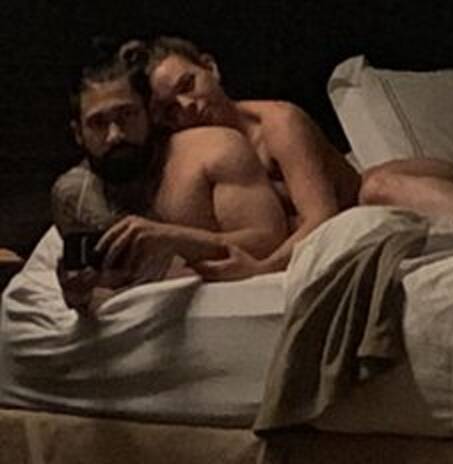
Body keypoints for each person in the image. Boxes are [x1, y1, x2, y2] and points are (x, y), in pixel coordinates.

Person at [142, 35, 453, 282]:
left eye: (188, 85)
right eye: (168, 110)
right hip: (352, 189)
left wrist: (262, 269)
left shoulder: (278, 123)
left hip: (377, 183)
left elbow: (321, 216)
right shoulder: (203, 159)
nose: (187, 108)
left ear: (211, 68)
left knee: (376, 187)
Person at [53, 41, 289, 314]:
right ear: (78, 133)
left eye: (127, 115)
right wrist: (79, 296)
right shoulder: (73, 196)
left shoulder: (214, 151)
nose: (115, 135)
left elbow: (269, 240)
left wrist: (173, 239)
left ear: (149, 113)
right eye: (98, 123)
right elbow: (103, 300)